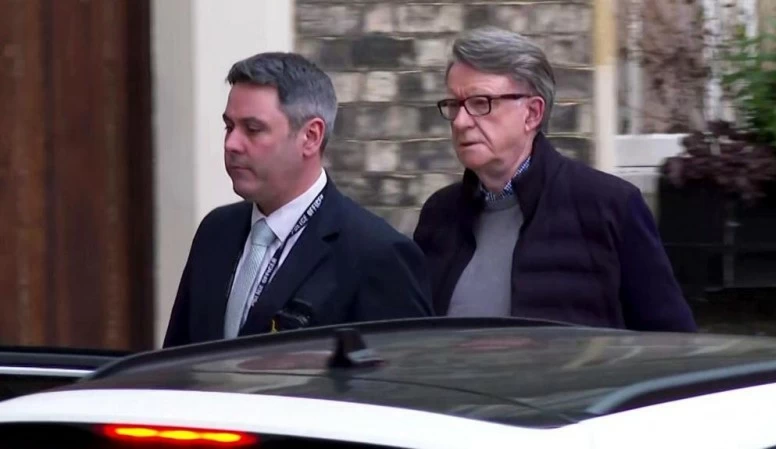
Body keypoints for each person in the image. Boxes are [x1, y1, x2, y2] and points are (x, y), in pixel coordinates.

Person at [412, 27, 697, 331]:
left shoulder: (608, 206)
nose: (460, 121)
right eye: (454, 105)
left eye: (481, 103)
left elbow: (670, 340)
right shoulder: (439, 214)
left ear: (532, 113)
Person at [163, 52, 433, 348]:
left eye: (253, 129)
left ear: (311, 137)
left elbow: (402, 372)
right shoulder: (216, 232)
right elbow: (177, 359)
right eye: (229, 127)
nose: (231, 144)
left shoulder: (376, 254)